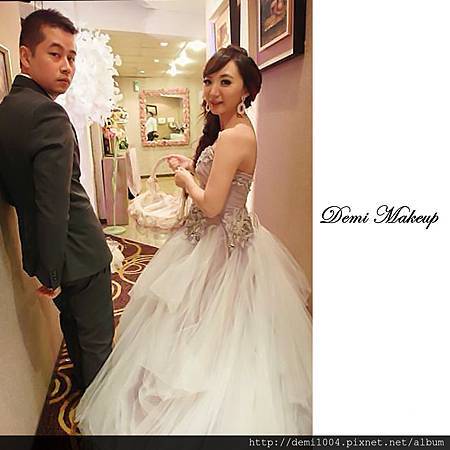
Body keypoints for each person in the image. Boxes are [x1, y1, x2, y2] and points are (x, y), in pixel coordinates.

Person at [76, 45, 311, 434]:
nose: (213, 91)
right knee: (211, 330)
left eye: (225, 82)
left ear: (247, 90)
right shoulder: (234, 130)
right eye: (208, 81)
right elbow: (222, 183)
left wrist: (186, 180)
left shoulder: (234, 136)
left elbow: (213, 206)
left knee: (209, 334)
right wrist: (193, 167)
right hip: (222, 240)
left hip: (219, 245)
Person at [0, 9, 114, 391]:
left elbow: (12, 192)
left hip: (46, 255)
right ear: (25, 56)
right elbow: (54, 205)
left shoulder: (6, 111)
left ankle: (85, 395)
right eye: (55, 54)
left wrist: (44, 265)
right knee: (97, 346)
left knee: (75, 334)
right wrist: (51, 272)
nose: (67, 66)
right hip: (80, 254)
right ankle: (103, 417)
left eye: (71, 56)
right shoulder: (48, 114)